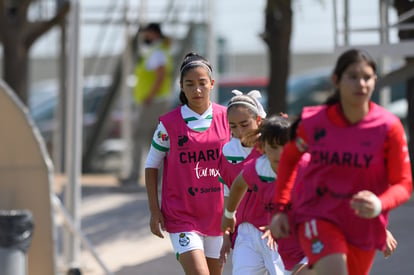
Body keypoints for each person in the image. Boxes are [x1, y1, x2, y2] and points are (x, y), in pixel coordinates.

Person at [270, 48, 412, 275]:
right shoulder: (315, 123)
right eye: (353, 77)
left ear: (375, 80)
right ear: (337, 80)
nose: (361, 84)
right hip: (317, 216)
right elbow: (288, 159)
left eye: (366, 77)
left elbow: (403, 183)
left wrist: (378, 204)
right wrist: (280, 209)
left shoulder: (389, 127)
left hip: (363, 224)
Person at [144, 52, 231, 275]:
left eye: (202, 83)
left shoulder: (228, 118)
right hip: (181, 215)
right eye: (190, 84)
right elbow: (151, 166)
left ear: (212, 84)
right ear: (181, 87)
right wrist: (155, 211)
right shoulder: (169, 124)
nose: (197, 89)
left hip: (216, 215)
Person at [222, 115, 292, 275]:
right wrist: (229, 214)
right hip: (254, 233)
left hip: (295, 238)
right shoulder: (258, 167)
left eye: (285, 146)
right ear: (262, 147)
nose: (280, 153)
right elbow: (238, 184)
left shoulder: (304, 167)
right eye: (274, 147)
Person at [217, 89, 268, 269]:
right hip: (244, 232)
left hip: (274, 230)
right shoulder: (228, 152)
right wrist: (226, 235)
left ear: (259, 120)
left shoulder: (273, 147)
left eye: (245, 124)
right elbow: (228, 193)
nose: (239, 131)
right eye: (233, 126)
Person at [121, 22, 173, 185]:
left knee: (139, 137)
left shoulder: (156, 53)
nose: (144, 37)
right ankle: (160, 177)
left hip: (153, 102)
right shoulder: (158, 51)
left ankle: (134, 174)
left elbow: (160, 76)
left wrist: (149, 96)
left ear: (155, 34)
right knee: (156, 139)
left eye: (147, 34)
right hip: (157, 101)